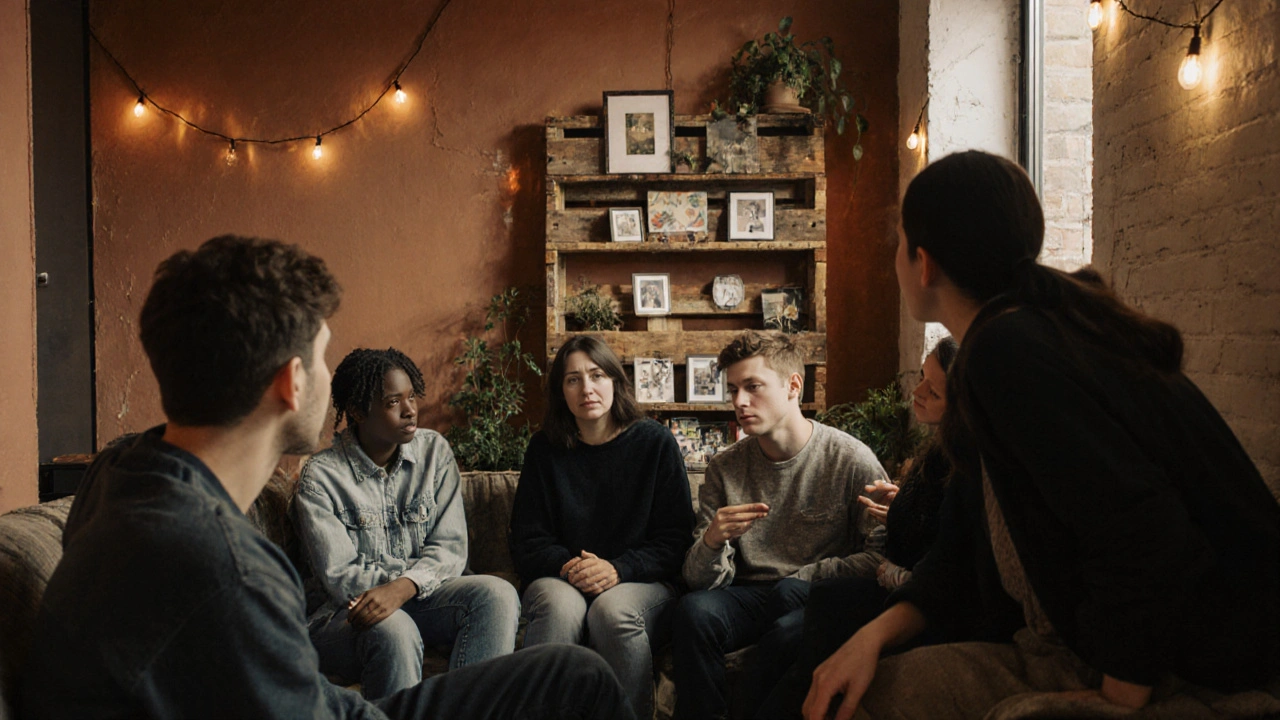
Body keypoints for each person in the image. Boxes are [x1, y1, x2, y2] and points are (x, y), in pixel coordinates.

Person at [21, 235, 633, 720]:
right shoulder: (226, 566)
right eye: (320, 357)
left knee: (563, 669)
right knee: (577, 678)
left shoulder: (123, 472)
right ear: (290, 383)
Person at [804, 151, 1280, 720]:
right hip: (1125, 642)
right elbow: (960, 549)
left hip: (1205, 660)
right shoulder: (1024, 332)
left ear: (923, 263)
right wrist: (872, 637)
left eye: (899, 244)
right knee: (850, 687)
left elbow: (1144, 531)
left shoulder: (1008, 351)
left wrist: (1115, 698)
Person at [671, 329, 890, 720]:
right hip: (751, 593)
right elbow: (698, 581)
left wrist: (809, 576)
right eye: (733, 389)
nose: (739, 401)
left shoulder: (850, 459)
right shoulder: (724, 467)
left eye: (753, 386)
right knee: (694, 612)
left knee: (790, 614)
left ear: (793, 386)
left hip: (815, 593)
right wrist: (711, 541)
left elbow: (881, 556)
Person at [293, 347, 520, 700]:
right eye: (392, 402)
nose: (410, 410)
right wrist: (391, 593)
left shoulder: (435, 453)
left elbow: (450, 548)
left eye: (411, 396)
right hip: (345, 615)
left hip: (419, 595)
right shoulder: (320, 478)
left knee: (498, 595)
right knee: (394, 628)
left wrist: (403, 587)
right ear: (356, 412)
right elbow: (340, 577)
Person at [750, 337, 959, 718]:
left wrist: (894, 570)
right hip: (881, 581)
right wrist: (901, 507)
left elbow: (945, 564)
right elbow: (922, 523)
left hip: (904, 594)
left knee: (795, 633)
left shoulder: (963, 465)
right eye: (921, 378)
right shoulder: (935, 452)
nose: (916, 391)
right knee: (790, 598)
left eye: (934, 389)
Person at [510, 335, 695, 720]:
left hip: (641, 583)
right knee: (559, 608)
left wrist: (617, 569)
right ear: (561, 391)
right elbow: (528, 540)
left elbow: (676, 540)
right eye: (573, 379)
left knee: (611, 612)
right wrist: (570, 567)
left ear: (615, 381)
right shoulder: (544, 448)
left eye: (596, 375)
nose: (587, 388)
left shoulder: (654, 443)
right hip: (562, 578)